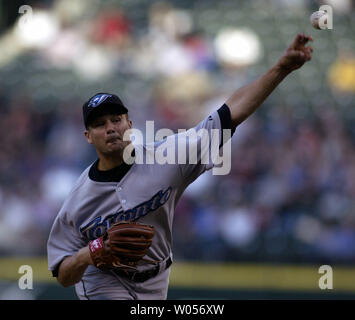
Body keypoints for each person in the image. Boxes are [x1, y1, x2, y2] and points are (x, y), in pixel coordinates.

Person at [47, 33, 313, 300]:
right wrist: (89, 253)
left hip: (157, 278)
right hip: (103, 283)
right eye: (99, 124)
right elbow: (63, 274)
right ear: (88, 136)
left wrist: (281, 69)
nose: (110, 129)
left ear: (130, 124)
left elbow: (230, 113)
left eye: (116, 119)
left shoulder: (169, 157)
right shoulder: (78, 200)